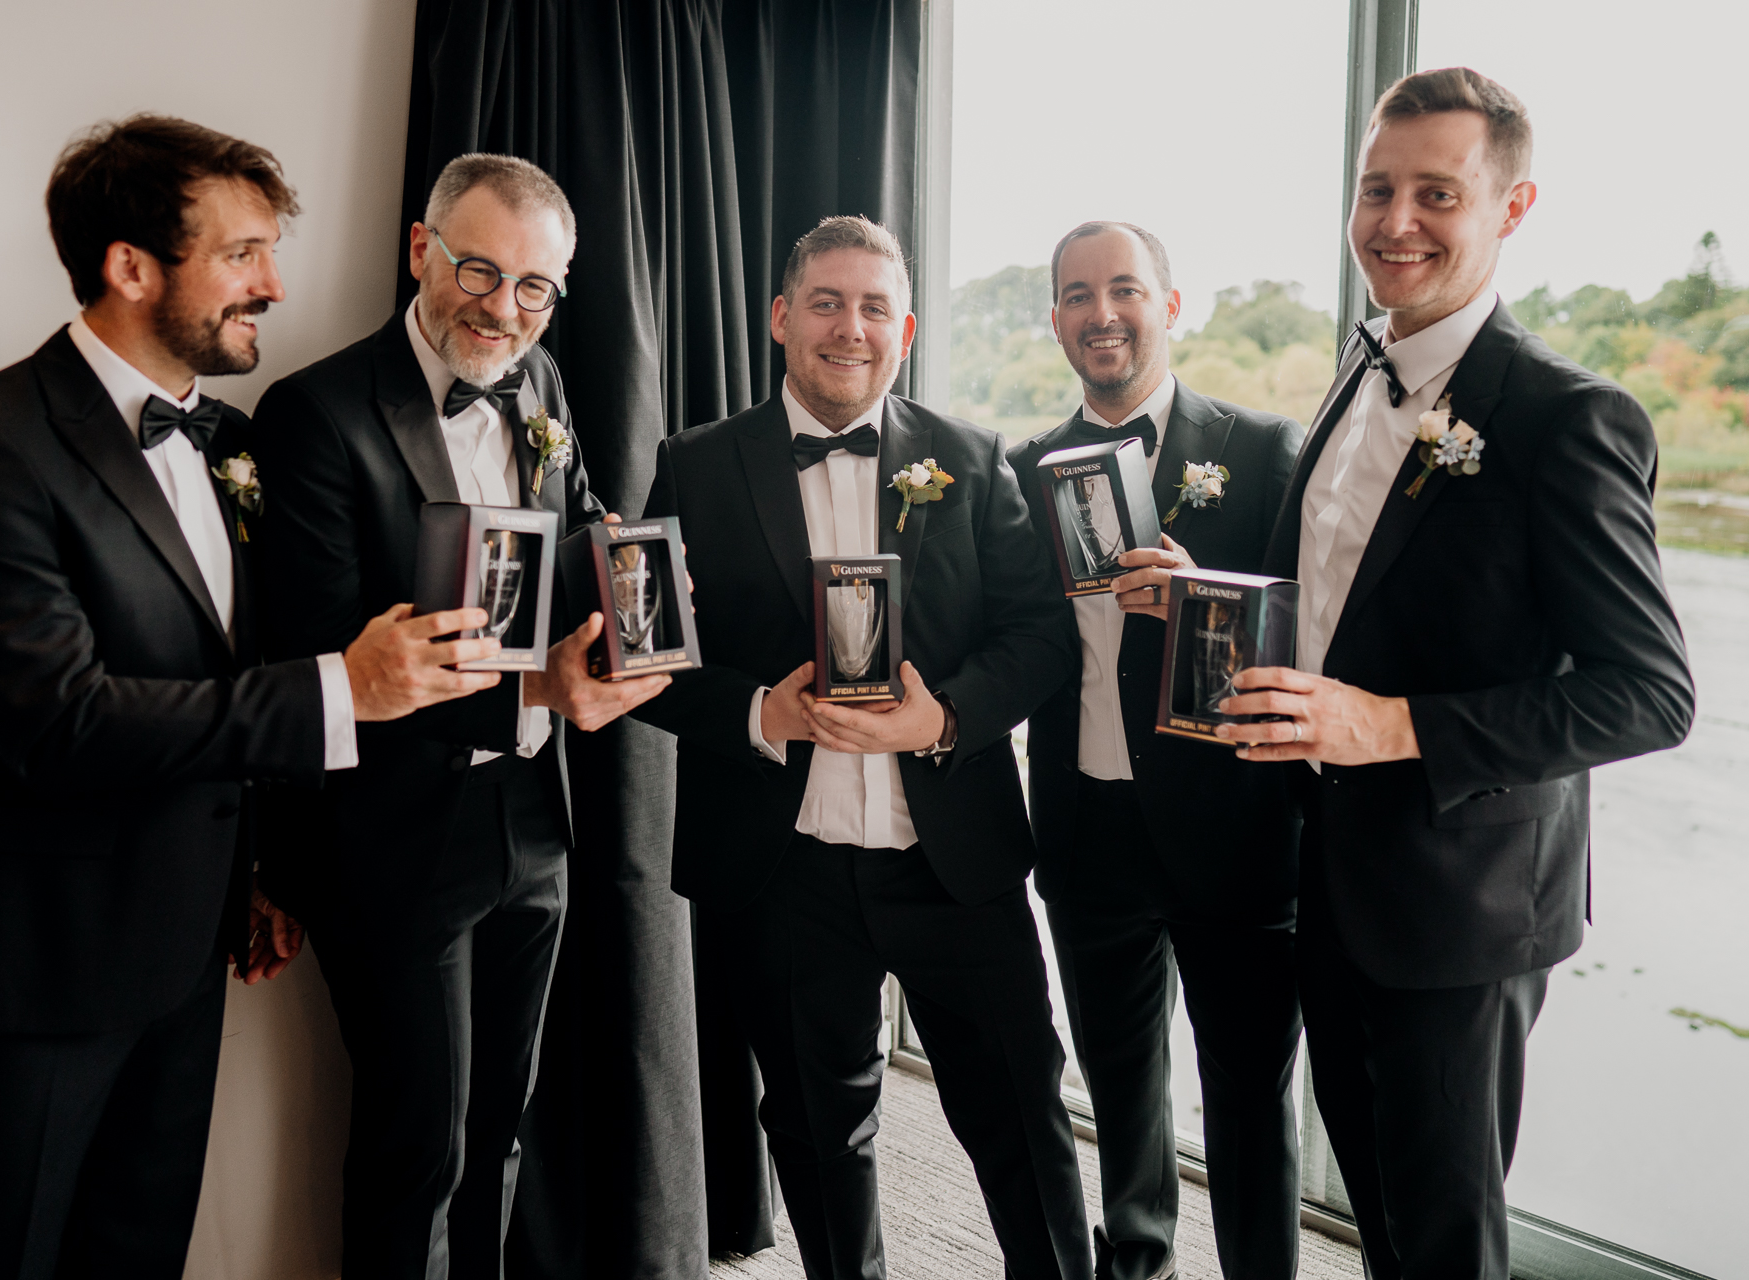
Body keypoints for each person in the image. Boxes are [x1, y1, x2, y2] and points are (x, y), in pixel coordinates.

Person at [0, 115, 497, 1279]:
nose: (275, 284)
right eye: (242, 255)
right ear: (131, 266)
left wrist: (260, 870)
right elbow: (60, 720)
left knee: (135, 1256)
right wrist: (342, 685)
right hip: (21, 968)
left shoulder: (232, 442)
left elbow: (219, 674)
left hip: (182, 950)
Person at [1214, 68, 1695, 1278]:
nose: (1396, 220)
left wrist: (1389, 725)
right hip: (1322, 874)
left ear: (1512, 207)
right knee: (1379, 1211)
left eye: (1438, 192)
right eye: (1378, 188)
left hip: (1459, 910)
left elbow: (1648, 691)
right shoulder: (1356, 368)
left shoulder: (1565, 415)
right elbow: (1335, 598)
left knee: (1443, 1241)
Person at [635, 215, 1091, 1280]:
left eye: (876, 306)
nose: (853, 327)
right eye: (829, 303)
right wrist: (762, 712)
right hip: (780, 865)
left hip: (955, 862)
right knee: (813, 1130)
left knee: (1022, 1117)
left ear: (908, 327)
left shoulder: (971, 457)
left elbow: (1041, 637)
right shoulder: (695, 465)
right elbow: (648, 659)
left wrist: (944, 718)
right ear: (783, 317)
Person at [248, 153, 666, 1279]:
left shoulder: (542, 388)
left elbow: (574, 538)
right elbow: (325, 659)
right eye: (482, 270)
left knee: (503, 1130)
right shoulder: (313, 412)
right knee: (415, 1146)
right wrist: (543, 689)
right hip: (391, 834)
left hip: (534, 817)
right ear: (423, 249)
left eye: (537, 287)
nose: (506, 308)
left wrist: (627, 607)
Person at [1005, 221, 1305, 1280]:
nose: (1101, 314)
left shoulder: (1264, 451)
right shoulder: (1020, 469)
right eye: (1077, 296)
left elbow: (1318, 630)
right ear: (1055, 322)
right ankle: (1139, 1262)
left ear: (1169, 305)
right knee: (1121, 1087)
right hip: (1088, 830)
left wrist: (1205, 598)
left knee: (1248, 1095)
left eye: (1124, 289)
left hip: (1235, 833)